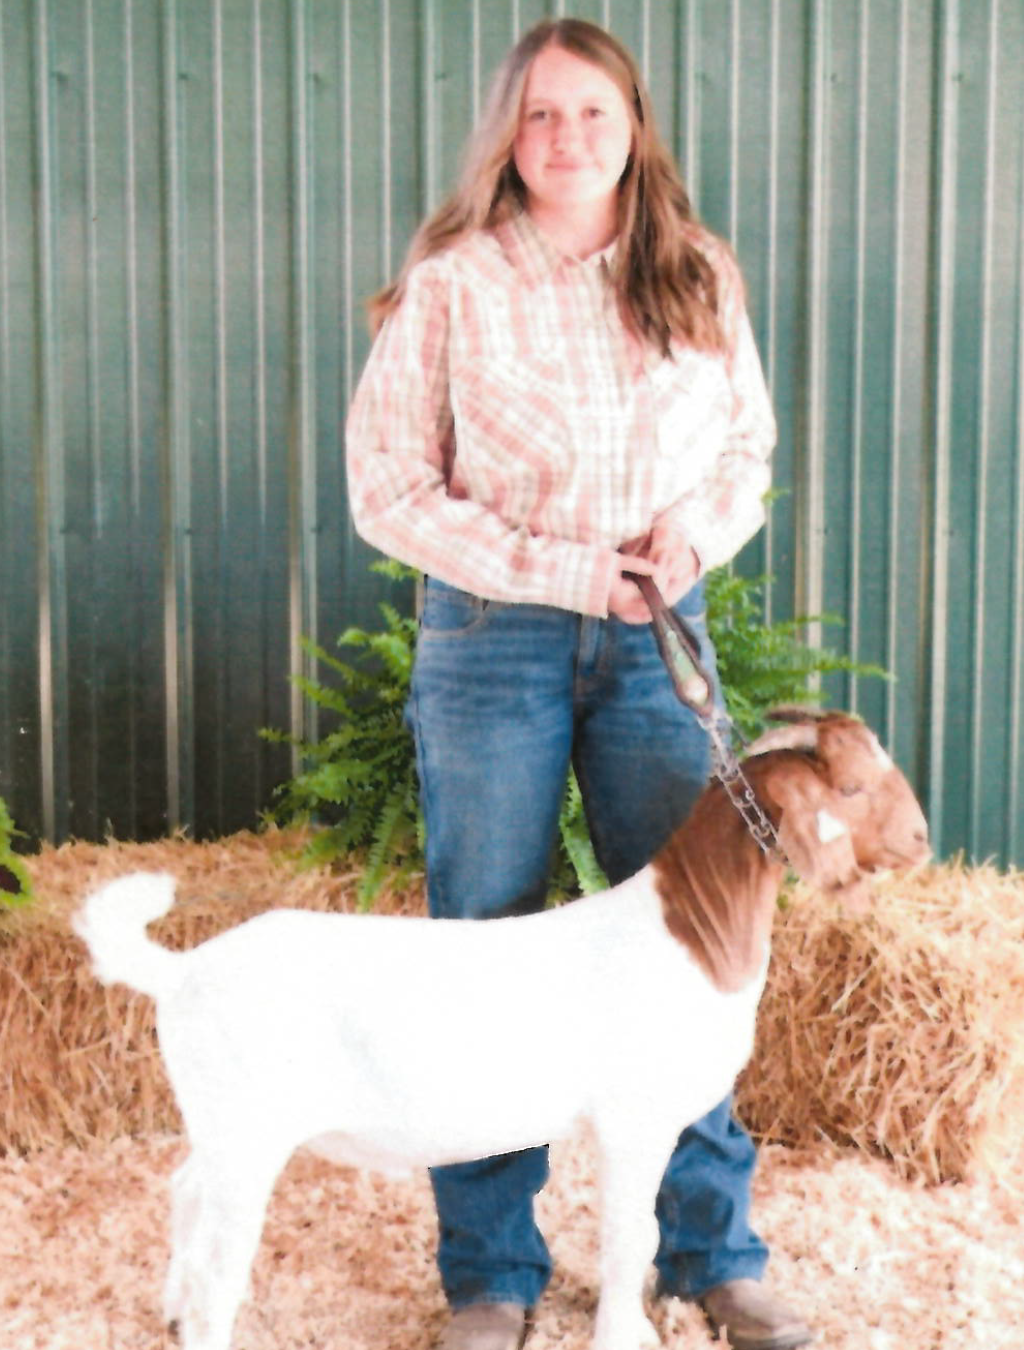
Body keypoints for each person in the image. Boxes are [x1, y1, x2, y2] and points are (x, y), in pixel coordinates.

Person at [345, 18, 805, 1350]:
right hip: (494, 636)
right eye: (542, 114)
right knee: (485, 941)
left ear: (633, 127)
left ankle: (710, 1254)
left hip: (657, 632)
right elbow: (387, 488)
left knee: (693, 944)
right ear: (508, 134)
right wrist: (565, 573)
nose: (567, 137)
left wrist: (690, 540)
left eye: (593, 112)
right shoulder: (453, 282)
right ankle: (491, 1273)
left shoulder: (695, 272)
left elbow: (746, 451)